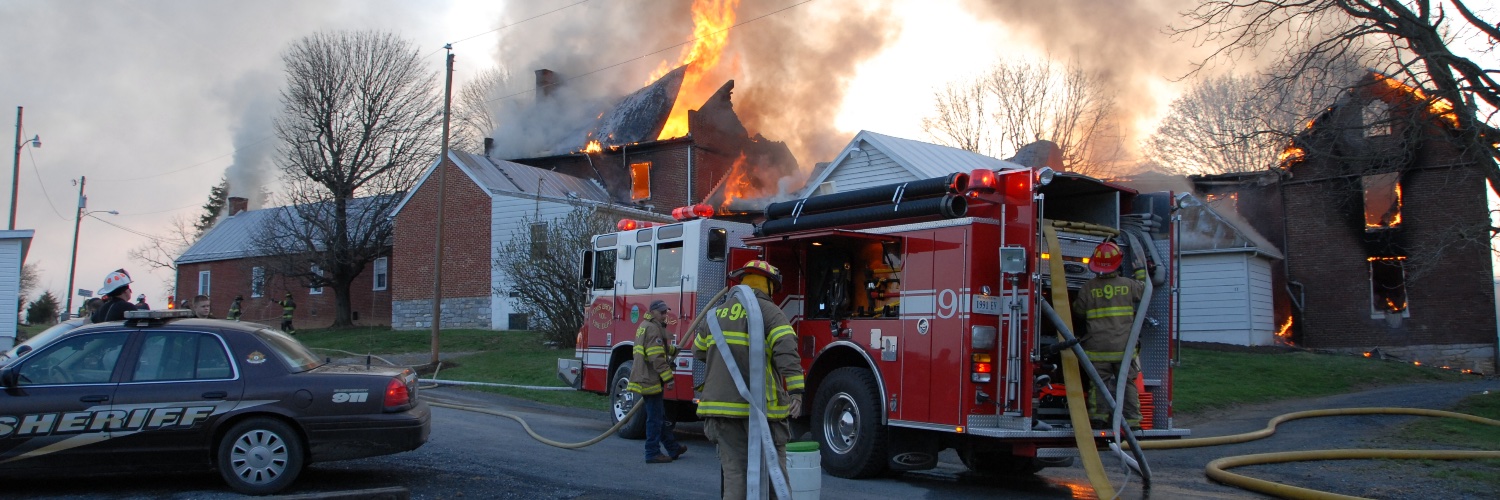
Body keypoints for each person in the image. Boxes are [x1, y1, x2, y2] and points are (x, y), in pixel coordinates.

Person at [692, 260, 804, 500]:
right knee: (774, 477)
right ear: (769, 286)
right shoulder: (771, 312)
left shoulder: (715, 314)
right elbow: (787, 349)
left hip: (720, 410)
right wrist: (796, 392)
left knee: (735, 475)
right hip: (763, 411)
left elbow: (698, 350)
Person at [1072, 241, 1146, 430]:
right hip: (1123, 348)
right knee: (1126, 383)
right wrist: (1140, 271)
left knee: (1099, 383)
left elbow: (1078, 311)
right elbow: (1145, 289)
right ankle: (1132, 421)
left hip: (1097, 348)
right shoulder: (1129, 285)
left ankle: (1098, 418)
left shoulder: (1088, 288)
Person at [628, 300, 687, 464]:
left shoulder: (645, 325)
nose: (664, 315)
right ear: (652, 312)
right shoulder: (653, 328)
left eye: (666, 312)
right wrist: (668, 378)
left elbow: (656, 347)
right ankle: (652, 452)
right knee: (655, 418)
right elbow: (656, 357)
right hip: (650, 378)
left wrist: (674, 350)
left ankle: (673, 448)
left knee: (659, 416)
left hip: (645, 376)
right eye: (662, 313)